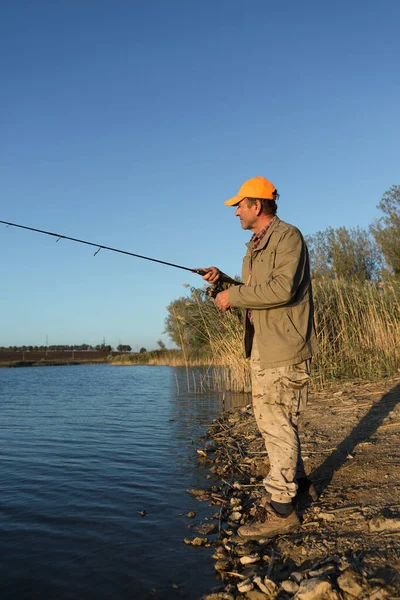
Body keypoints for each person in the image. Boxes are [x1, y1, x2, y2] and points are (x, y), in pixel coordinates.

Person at [202, 176, 318, 540]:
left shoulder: (288, 237)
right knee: (281, 420)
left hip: (282, 348)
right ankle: (298, 483)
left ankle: (282, 509)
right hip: (264, 347)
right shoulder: (255, 246)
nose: (235, 211)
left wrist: (232, 298)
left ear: (257, 205)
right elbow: (257, 290)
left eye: (240, 204)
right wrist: (225, 282)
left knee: (275, 423)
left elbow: (282, 289)